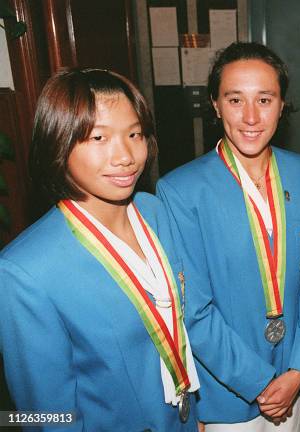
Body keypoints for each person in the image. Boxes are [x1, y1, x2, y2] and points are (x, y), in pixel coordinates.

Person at [0, 69, 200, 431]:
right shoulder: (24, 270)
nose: (125, 156)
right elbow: (45, 417)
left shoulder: (155, 212)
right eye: (98, 137)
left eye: (134, 134)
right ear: (58, 142)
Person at [156, 42, 300, 431]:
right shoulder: (181, 191)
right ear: (215, 104)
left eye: (264, 99)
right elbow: (193, 310)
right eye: (235, 100)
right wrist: (262, 383)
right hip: (228, 392)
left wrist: (299, 368)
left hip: (293, 383)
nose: (250, 117)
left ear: (282, 105)